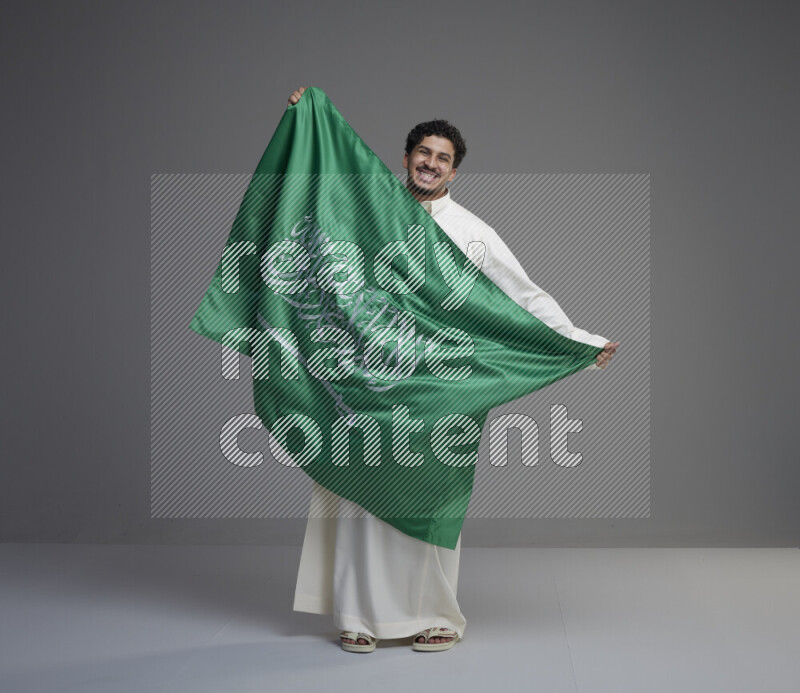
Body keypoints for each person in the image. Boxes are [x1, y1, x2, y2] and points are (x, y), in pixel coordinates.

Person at [286, 87, 619, 653]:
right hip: (368, 379)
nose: (430, 163)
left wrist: (578, 339)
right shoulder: (369, 210)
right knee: (362, 491)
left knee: (435, 491)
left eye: (442, 158)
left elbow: (522, 294)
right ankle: (358, 616)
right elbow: (320, 187)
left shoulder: (472, 232)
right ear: (406, 157)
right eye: (422, 152)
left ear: (454, 171)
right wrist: (306, 117)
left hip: (442, 381)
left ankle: (434, 614)